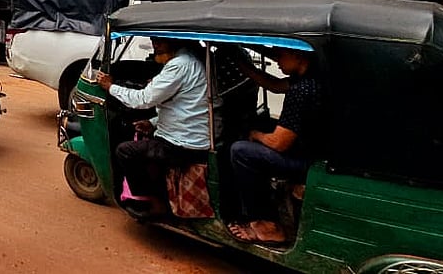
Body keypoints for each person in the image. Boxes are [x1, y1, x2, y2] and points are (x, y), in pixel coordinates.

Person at [96, 37, 211, 217]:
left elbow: (142, 100)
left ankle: (154, 204)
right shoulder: (188, 60)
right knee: (142, 140)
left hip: (183, 144)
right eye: (153, 40)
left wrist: (110, 87)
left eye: (159, 41)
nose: (154, 45)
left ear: (173, 41)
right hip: (188, 134)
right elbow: (183, 107)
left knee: (125, 151)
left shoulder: (180, 65)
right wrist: (153, 123)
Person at [226, 47, 323, 245]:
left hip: (310, 162)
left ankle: (266, 226)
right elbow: (276, 86)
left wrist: (256, 135)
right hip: (315, 152)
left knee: (241, 151)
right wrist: (244, 65)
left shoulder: (302, 90)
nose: (276, 60)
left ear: (298, 55)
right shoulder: (312, 76)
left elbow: (278, 143)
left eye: (280, 54)